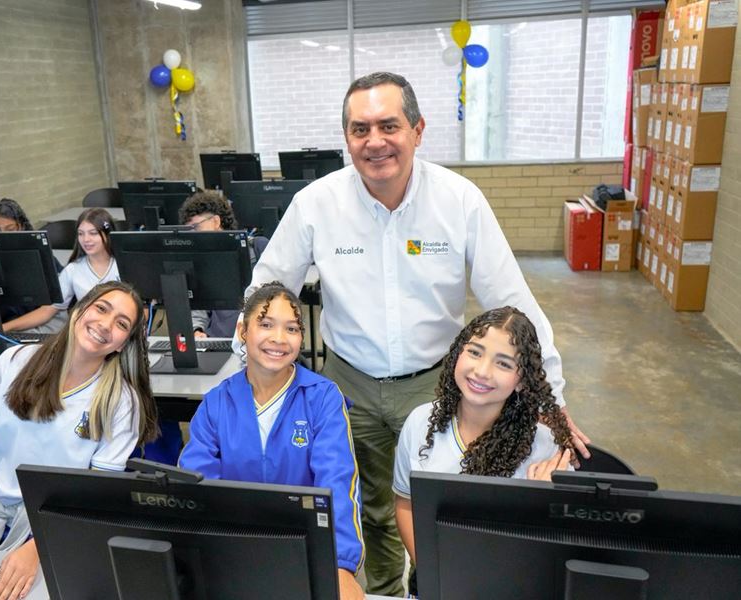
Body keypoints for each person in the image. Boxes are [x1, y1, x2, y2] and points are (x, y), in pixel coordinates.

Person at [242, 71, 589, 595]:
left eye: (389, 125)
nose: (375, 141)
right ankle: (385, 589)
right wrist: (249, 351)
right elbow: (267, 282)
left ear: (418, 130)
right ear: (347, 138)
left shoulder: (459, 200)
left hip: (436, 384)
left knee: (439, 503)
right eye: (360, 129)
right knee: (366, 504)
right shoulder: (316, 204)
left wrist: (551, 395)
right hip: (347, 382)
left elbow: (512, 301)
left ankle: (447, 582)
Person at [0, 281, 159, 600]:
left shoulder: (120, 402)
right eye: (101, 308)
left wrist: (37, 548)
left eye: (121, 324)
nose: (105, 325)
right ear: (79, 309)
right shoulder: (14, 362)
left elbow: (93, 497)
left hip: (59, 525)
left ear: (122, 344)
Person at [179, 282, 365, 600]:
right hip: (232, 554)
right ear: (242, 330)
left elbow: (339, 484)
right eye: (266, 325)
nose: (279, 339)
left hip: (307, 553)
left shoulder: (322, 398)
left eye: (291, 329)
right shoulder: (216, 404)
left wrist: (340, 565)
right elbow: (196, 490)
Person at [393, 307, 574, 592]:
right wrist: (437, 569)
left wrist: (545, 501)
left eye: (503, 364)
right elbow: (405, 504)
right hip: (438, 582)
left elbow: (563, 548)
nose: (482, 371)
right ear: (457, 354)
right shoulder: (419, 423)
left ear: (522, 380)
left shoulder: (545, 447)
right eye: (475, 352)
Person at [3, 208, 119, 333]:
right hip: (88, 333)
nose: (86, 239)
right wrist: (4, 327)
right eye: (81, 233)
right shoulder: (73, 270)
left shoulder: (123, 265)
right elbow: (47, 311)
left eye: (93, 233)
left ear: (107, 234)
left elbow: (141, 308)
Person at [178, 190, 268, 338]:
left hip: (257, 342)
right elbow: (198, 306)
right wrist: (197, 330)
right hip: (217, 343)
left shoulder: (257, 249)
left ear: (216, 222)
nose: (192, 235)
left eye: (195, 227)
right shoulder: (199, 262)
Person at [0, 198, 65, 330]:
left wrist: (4, 327)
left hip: (44, 322)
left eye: (10, 230)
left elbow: (52, 308)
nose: (3, 236)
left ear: (21, 226)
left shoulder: (41, 256)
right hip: (7, 326)